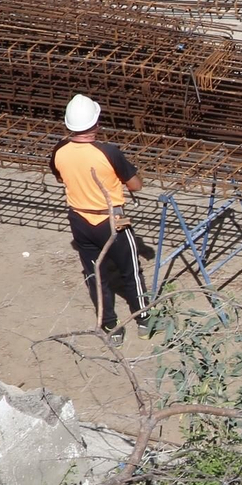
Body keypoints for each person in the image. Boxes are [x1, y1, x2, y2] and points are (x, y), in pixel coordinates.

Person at [50, 94, 147, 346]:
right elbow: (136, 186)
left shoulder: (59, 151)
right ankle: (144, 319)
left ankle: (109, 326)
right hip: (110, 219)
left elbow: (61, 177)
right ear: (96, 124)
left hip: (80, 220)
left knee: (95, 273)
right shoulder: (108, 152)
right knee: (131, 270)